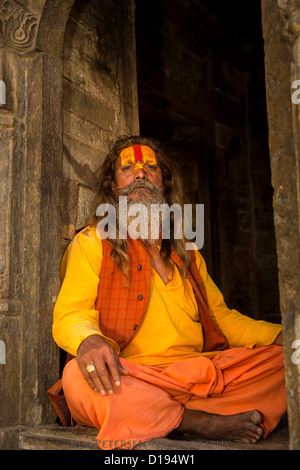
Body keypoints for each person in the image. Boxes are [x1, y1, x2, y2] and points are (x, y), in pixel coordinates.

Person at [51, 135, 286, 450]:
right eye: (128, 168)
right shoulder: (93, 242)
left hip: (200, 378)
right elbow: (71, 314)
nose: (140, 174)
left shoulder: (185, 251)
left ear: (164, 182)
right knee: (77, 379)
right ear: (111, 186)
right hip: (133, 377)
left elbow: (222, 318)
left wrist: (282, 335)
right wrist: (87, 340)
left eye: (150, 167)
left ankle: (167, 417)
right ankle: (199, 422)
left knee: (288, 359)